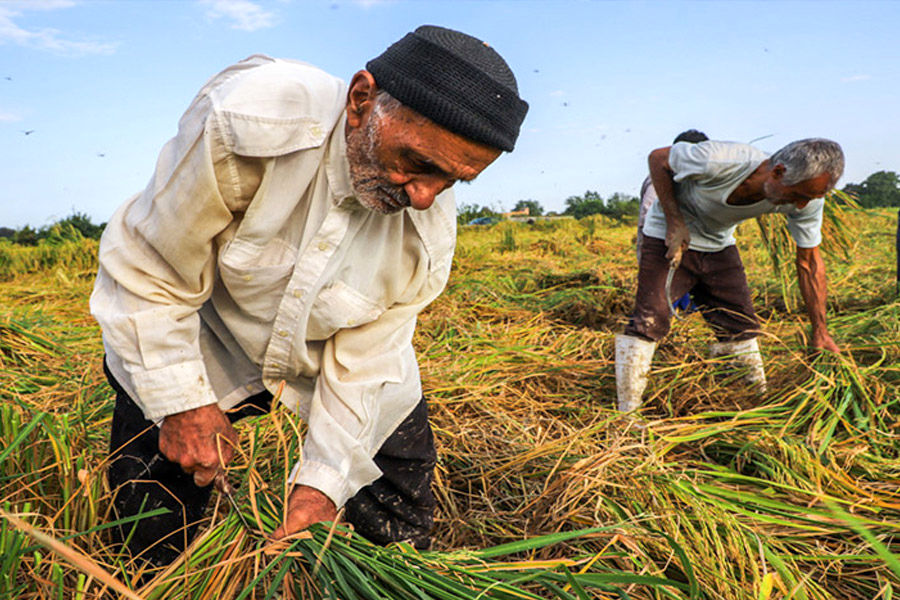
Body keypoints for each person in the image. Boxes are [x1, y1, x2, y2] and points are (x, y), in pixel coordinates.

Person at [90, 25, 528, 566]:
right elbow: (150, 267)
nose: (423, 196)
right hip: (206, 333)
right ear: (361, 100)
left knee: (396, 521)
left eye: (453, 181)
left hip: (326, 352)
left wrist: (321, 485)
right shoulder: (250, 121)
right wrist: (181, 404)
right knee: (149, 516)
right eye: (419, 163)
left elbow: (368, 362)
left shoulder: (426, 237)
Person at [615, 138, 844, 413]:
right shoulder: (721, 159)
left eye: (809, 198)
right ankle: (628, 414)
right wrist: (675, 221)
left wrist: (820, 332)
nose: (800, 206)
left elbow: (809, 263)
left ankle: (752, 400)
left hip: (719, 242)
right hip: (669, 233)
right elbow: (658, 159)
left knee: (741, 323)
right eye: (798, 195)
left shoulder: (808, 202)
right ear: (779, 172)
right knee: (650, 319)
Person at [636, 129, 709, 314]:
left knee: (682, 288)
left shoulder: (691, 179)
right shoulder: (660, 178)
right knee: (660, 294)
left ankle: (681, 316)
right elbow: (648, 213)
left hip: (682, 242)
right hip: (661, 243)